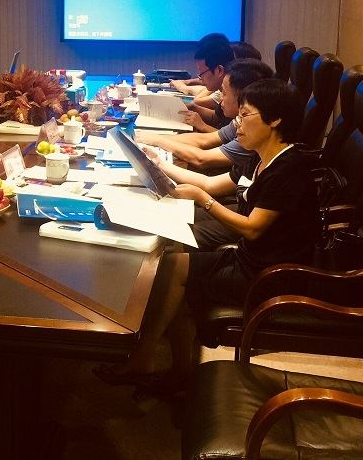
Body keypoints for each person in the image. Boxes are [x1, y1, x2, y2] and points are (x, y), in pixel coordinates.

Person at [95, 79, 319, 393]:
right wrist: (158, 165)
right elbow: (211, 185)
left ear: (275, 120)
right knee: (173, 263)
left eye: (245, 115)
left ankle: (150, 360)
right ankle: (168, 365)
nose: (237, 124)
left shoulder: (288, 169)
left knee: (174, 269)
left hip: (270, 276)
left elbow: (252, 227)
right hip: (249, 258)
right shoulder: (261, 157)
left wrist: (204, 201)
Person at [137, 60, 274, 173]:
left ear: (244, 96)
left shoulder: (252, 132)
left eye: (224, 93)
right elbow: (203, 140)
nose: (221, 99)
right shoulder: (239, 121)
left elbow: (202, 159)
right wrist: (152, 138)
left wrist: (157, 141)